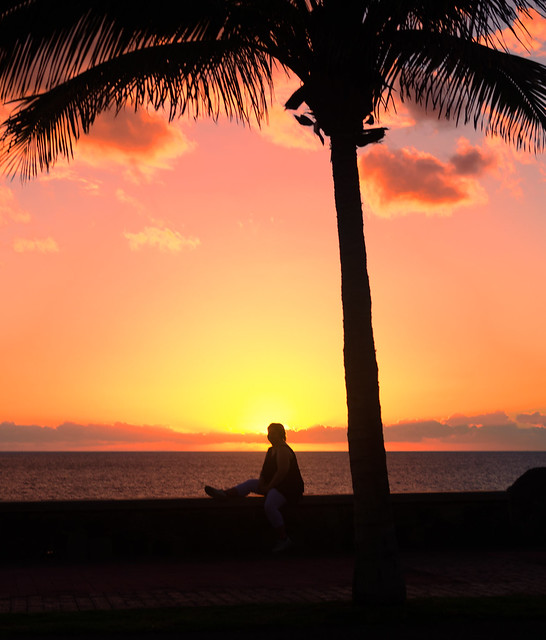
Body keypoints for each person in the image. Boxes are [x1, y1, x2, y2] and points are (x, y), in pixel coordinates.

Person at [205, 422, 304, 552]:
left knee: (270, 505)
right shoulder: (271, 451)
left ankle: (284, 539)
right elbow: (265, 471)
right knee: (251, 483)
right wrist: (262, 483)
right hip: (275, 486)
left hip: (288, 489)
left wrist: (269, 487)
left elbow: (282, 472)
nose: (269, 436)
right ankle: (224, 494)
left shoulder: (283, 450)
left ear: (280, 434)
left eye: (273, 433)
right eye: (269, 433)